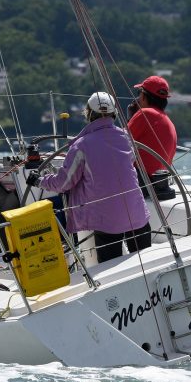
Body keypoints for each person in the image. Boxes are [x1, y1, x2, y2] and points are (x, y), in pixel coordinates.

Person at [27, 91, 151, 264]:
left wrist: (38, 181)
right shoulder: (126, 137)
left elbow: (63, 183)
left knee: (111, 271)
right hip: (138, 215)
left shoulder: (81, 145)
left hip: (107, 223)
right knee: (146, 262)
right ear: (114, 112)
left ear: (88, 113)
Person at [126, 75, 177, 179]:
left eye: (139, 93)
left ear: (144, 96)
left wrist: (130, 117)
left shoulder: (145, 113)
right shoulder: (169, 121)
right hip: (160, 182)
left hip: (142, 181)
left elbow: (119, 142)